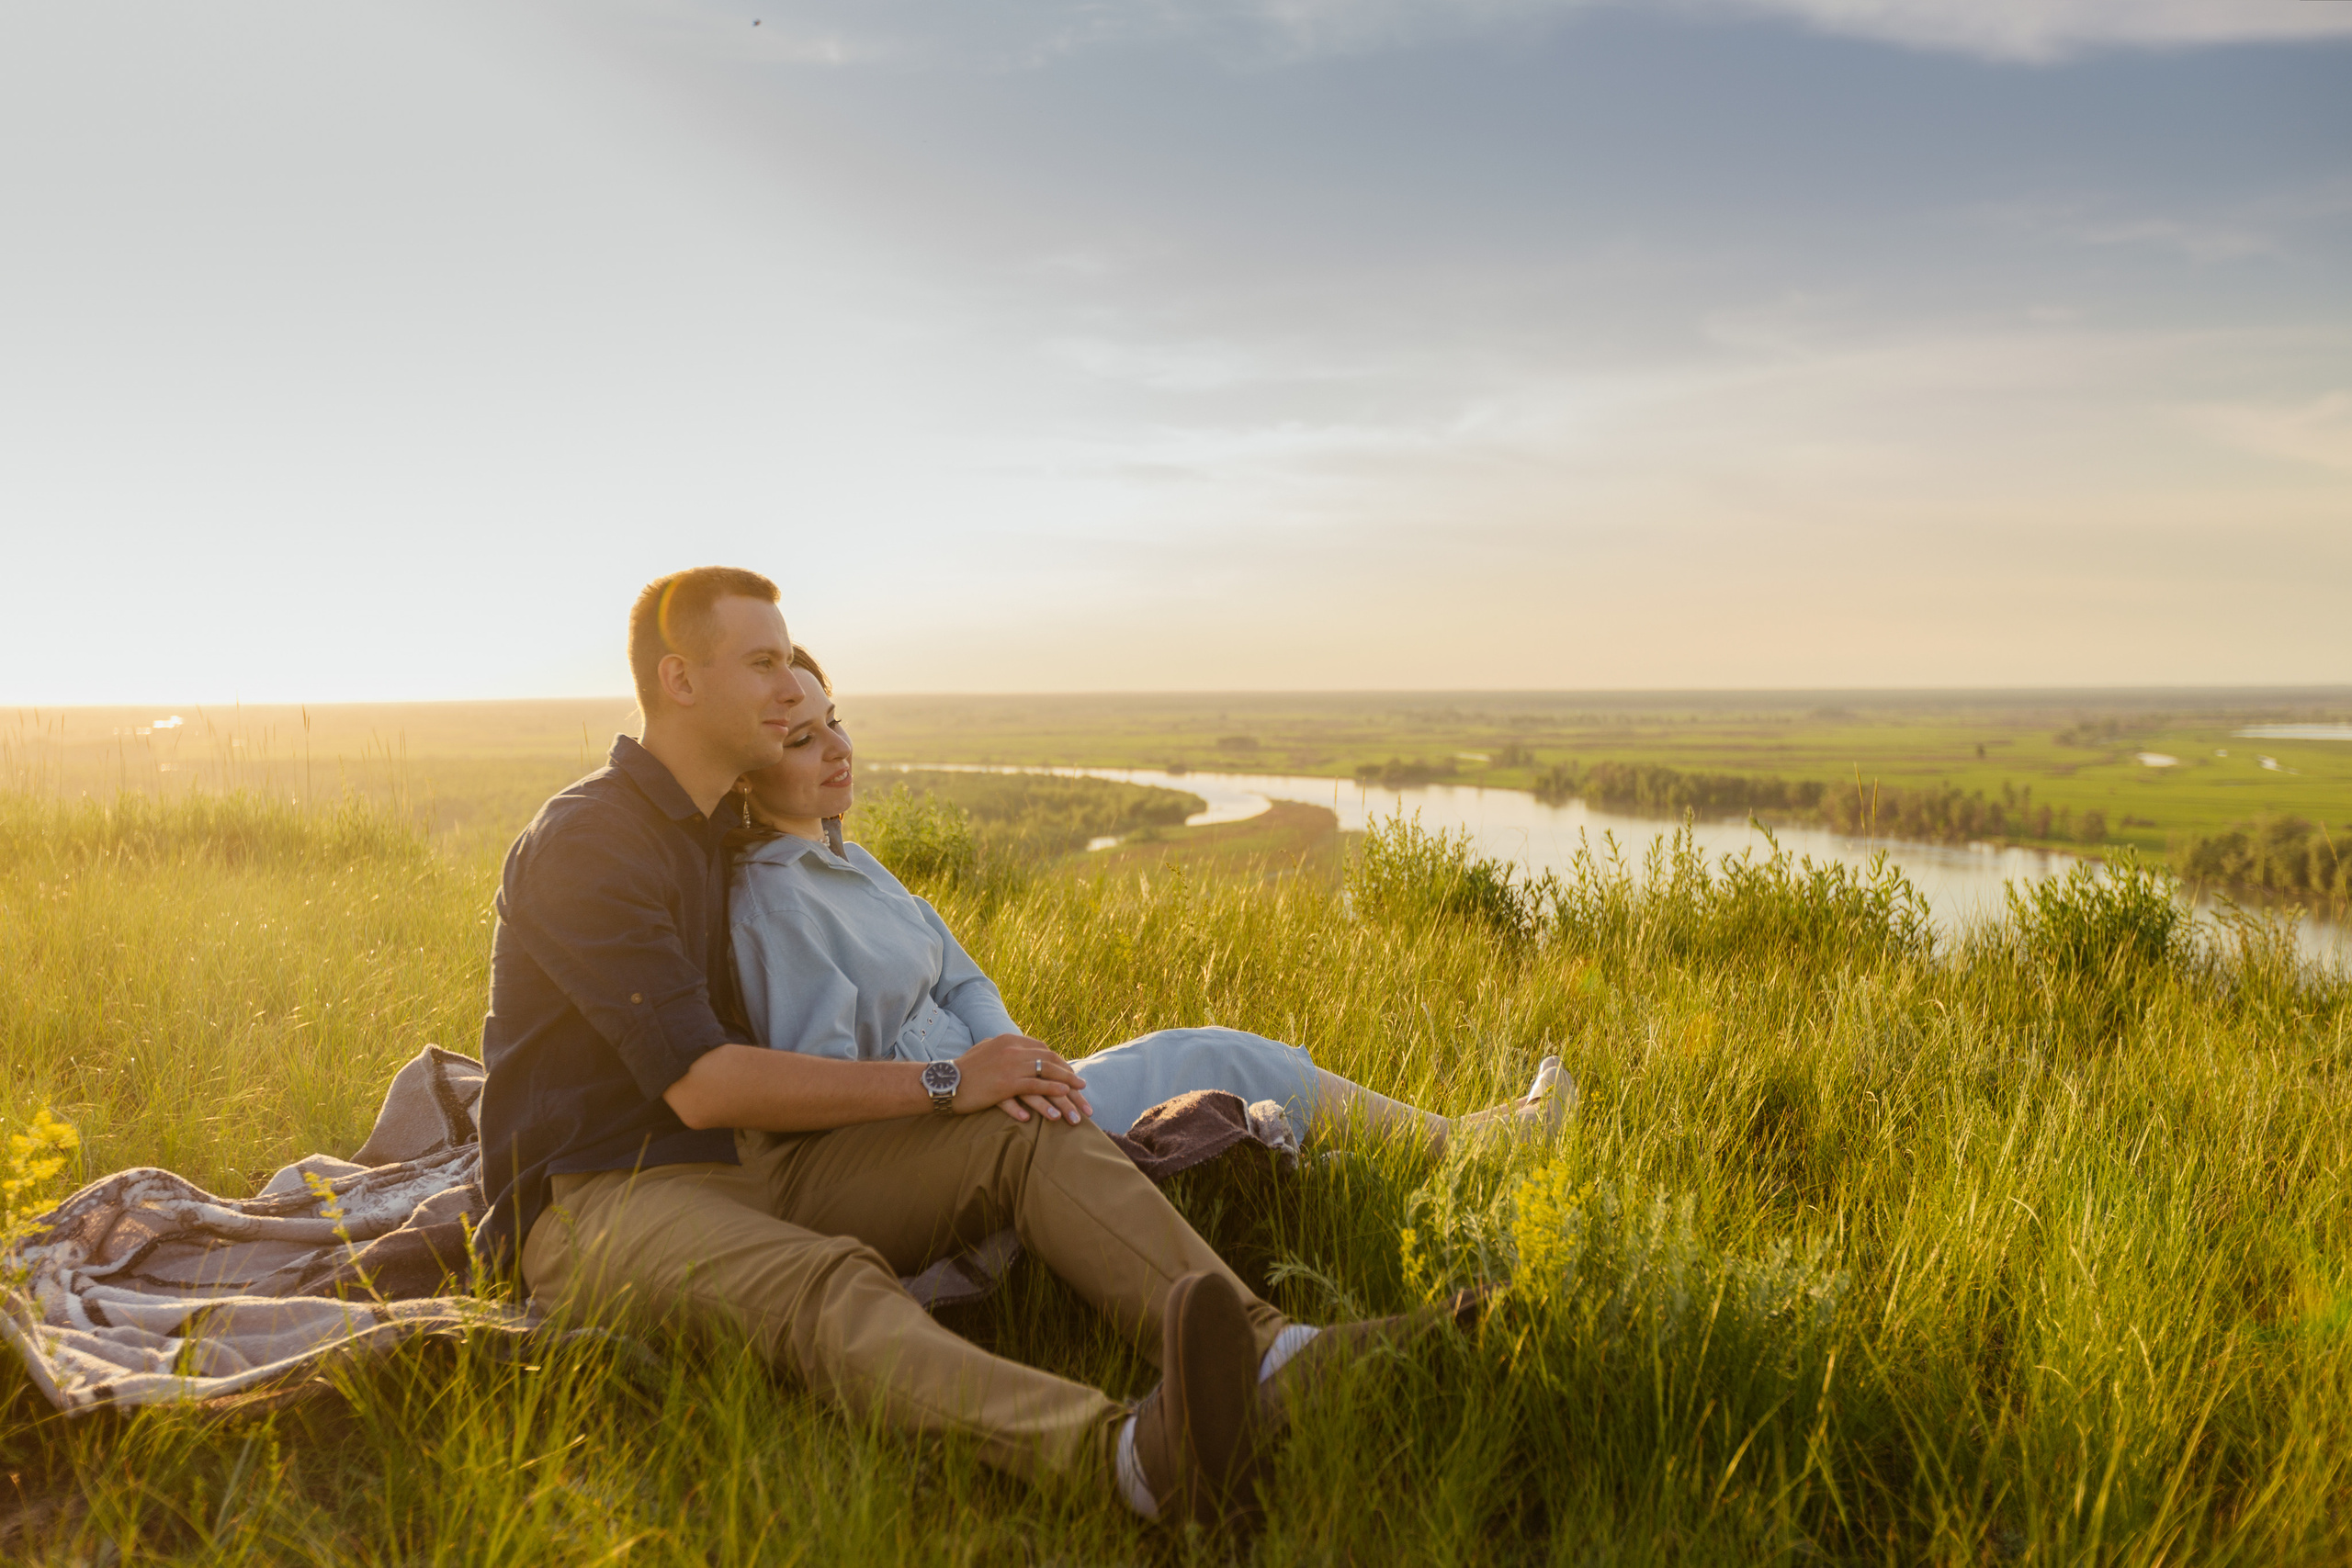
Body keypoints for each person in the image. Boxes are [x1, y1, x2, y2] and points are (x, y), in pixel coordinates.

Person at [475, 567, 1422, 1532]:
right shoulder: (589, 839)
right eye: (762, 665)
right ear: (678, 681)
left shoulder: (717, 828)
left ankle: (1268, 1360)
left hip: (755, 1162)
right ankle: (1127, 1459)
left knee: (1027, 1135)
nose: (787, 689)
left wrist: (986, 1081)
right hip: (601, 1197)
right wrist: (948, 1078)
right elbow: (704, 1086)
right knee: (829, 1280)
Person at [728, 645, 1572, 1149]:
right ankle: (1466, 1145)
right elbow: (827, 1094)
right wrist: (974, 1086)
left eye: (835, 720)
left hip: (1014, 1095)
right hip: (960, 1135)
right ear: (747, 759)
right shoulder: (776, 902)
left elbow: (964, 979)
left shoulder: (855, 860)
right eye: (803, 739)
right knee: (1218, 1060)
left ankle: (1454, 1145)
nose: (838, 749)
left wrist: (1020, 1062)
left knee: (1217, 1066)